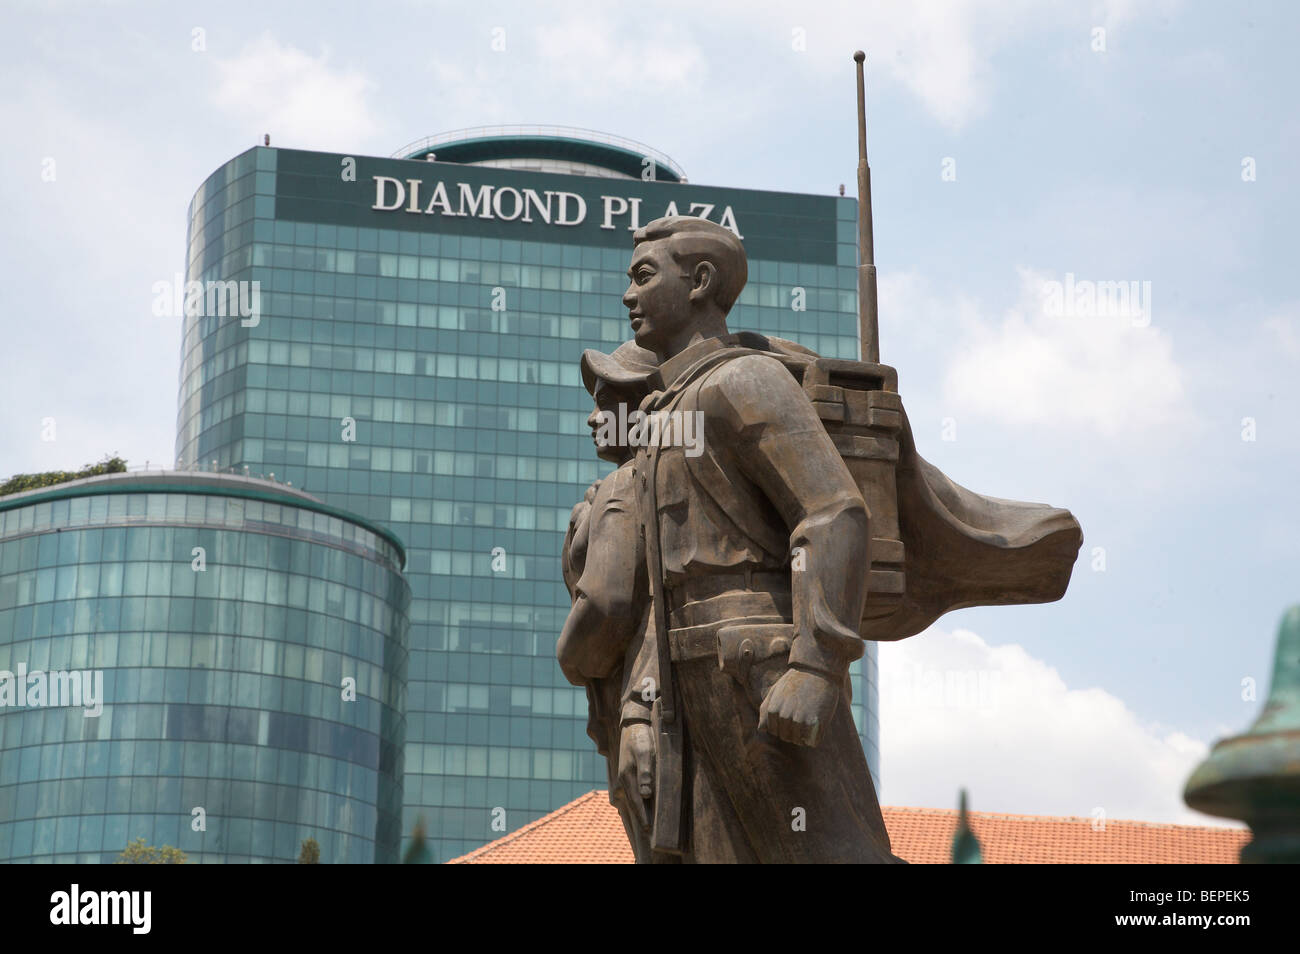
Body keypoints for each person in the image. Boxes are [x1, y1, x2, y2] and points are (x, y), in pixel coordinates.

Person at [623, 215, 900, 863]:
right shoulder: (665, 413)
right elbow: (661, 587)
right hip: (686, 679)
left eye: (643, 276)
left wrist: (814, 664)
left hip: (760, 666)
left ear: (700, 281)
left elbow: (833, 512)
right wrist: (641, 706)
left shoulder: (743, 380)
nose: (628, 296)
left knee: (831, 855)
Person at [558, 340, 661, 862]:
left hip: (638, 708)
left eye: (606, 404)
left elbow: (606, 603)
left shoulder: (625, 486)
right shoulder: (633, 482)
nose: (593, 418)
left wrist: (569, 657)